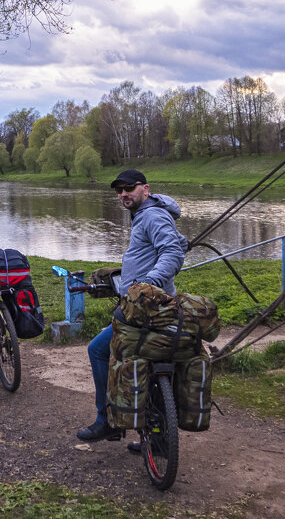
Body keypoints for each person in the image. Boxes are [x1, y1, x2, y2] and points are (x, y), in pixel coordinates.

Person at [76, 169, 186, 448]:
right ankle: (159, 440)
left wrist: (146, 285)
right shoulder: (151, 214)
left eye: (129, 188)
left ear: (145, 189)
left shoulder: (152, 215)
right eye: (118, 190)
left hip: (144, 306)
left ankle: (107, 422)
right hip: (156, 303)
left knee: (98, 350)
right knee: (150, 362)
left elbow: (171, 252)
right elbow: (173, 246)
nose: (123, 194)